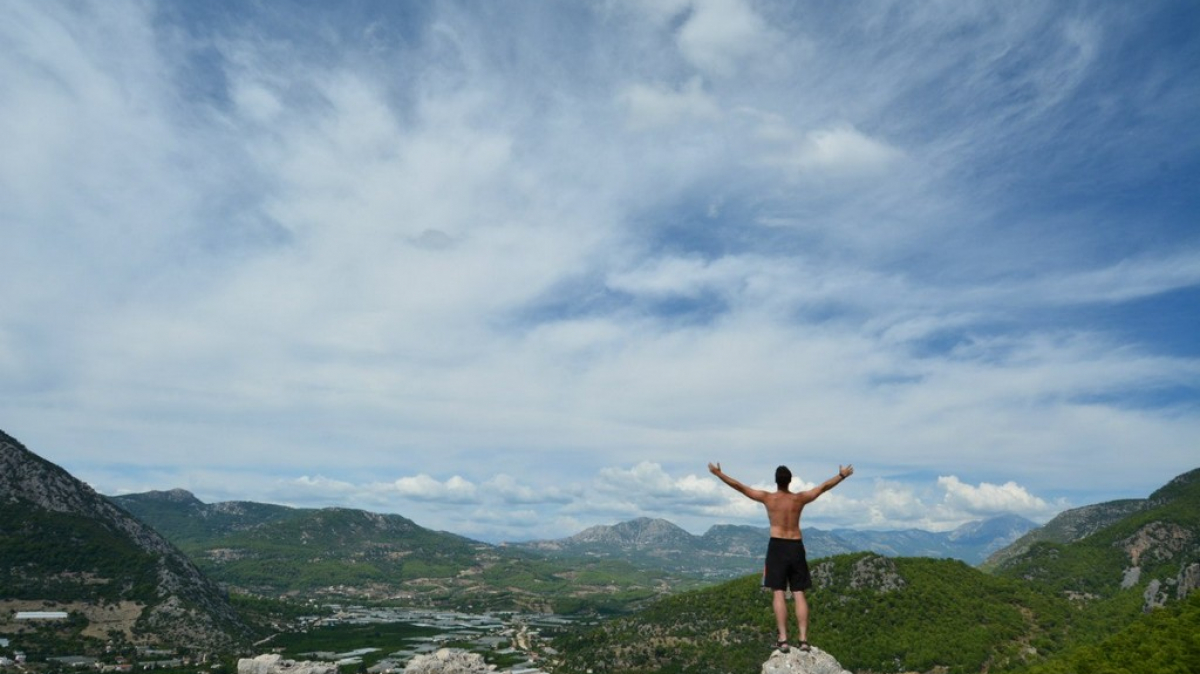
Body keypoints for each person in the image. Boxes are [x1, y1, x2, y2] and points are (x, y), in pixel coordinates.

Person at [708, 461, 853, 653]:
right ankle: (803, 640)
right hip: (796, 545)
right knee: (799, 592)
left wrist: (718, 474)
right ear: (790, 481)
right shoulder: (799, 499)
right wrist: (842, 476)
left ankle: (783, 639)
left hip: (777, 546)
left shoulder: (768, 498)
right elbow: (823, 488)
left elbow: (740, 487)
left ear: (776, 481)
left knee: (778, 591)